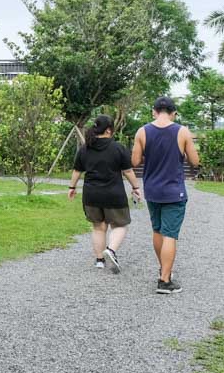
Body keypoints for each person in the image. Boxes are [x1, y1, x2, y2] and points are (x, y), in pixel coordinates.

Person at [132, 96, 201, 294]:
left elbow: (135, 161)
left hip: (152, 189)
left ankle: (164, 270)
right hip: (174, 190)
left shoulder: (142, 132)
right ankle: (164, 281)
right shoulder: (182, 131)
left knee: (157, 230)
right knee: (170, 234)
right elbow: (195, 162)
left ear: (154, 111)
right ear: (174, 113)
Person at [68, 114, 141, 274]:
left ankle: (100, 260)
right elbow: (127, 171)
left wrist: (71, 187)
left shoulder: (85, 148)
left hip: (91, 195)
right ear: (109, 130)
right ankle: (111, 250)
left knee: (98, 227)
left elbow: (77, 170)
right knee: (120, 225)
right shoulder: (118, 148)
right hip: (113, 194)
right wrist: (136, 187)